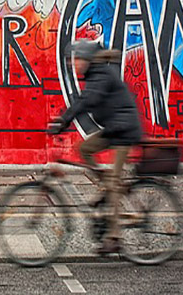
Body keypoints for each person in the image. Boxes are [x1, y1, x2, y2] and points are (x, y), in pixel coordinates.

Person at [48, 39, 142, 254]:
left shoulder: (101, 75)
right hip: (114, 128)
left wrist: (64, 120)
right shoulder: (95, 75)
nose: (74, 64)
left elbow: (87, 101)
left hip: (124, 132)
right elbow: (85, 100)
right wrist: (64, 120)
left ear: (88, 59)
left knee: (114, 185)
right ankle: (106, 184)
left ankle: (114, 237)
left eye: (78, 59)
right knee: (84, 148)